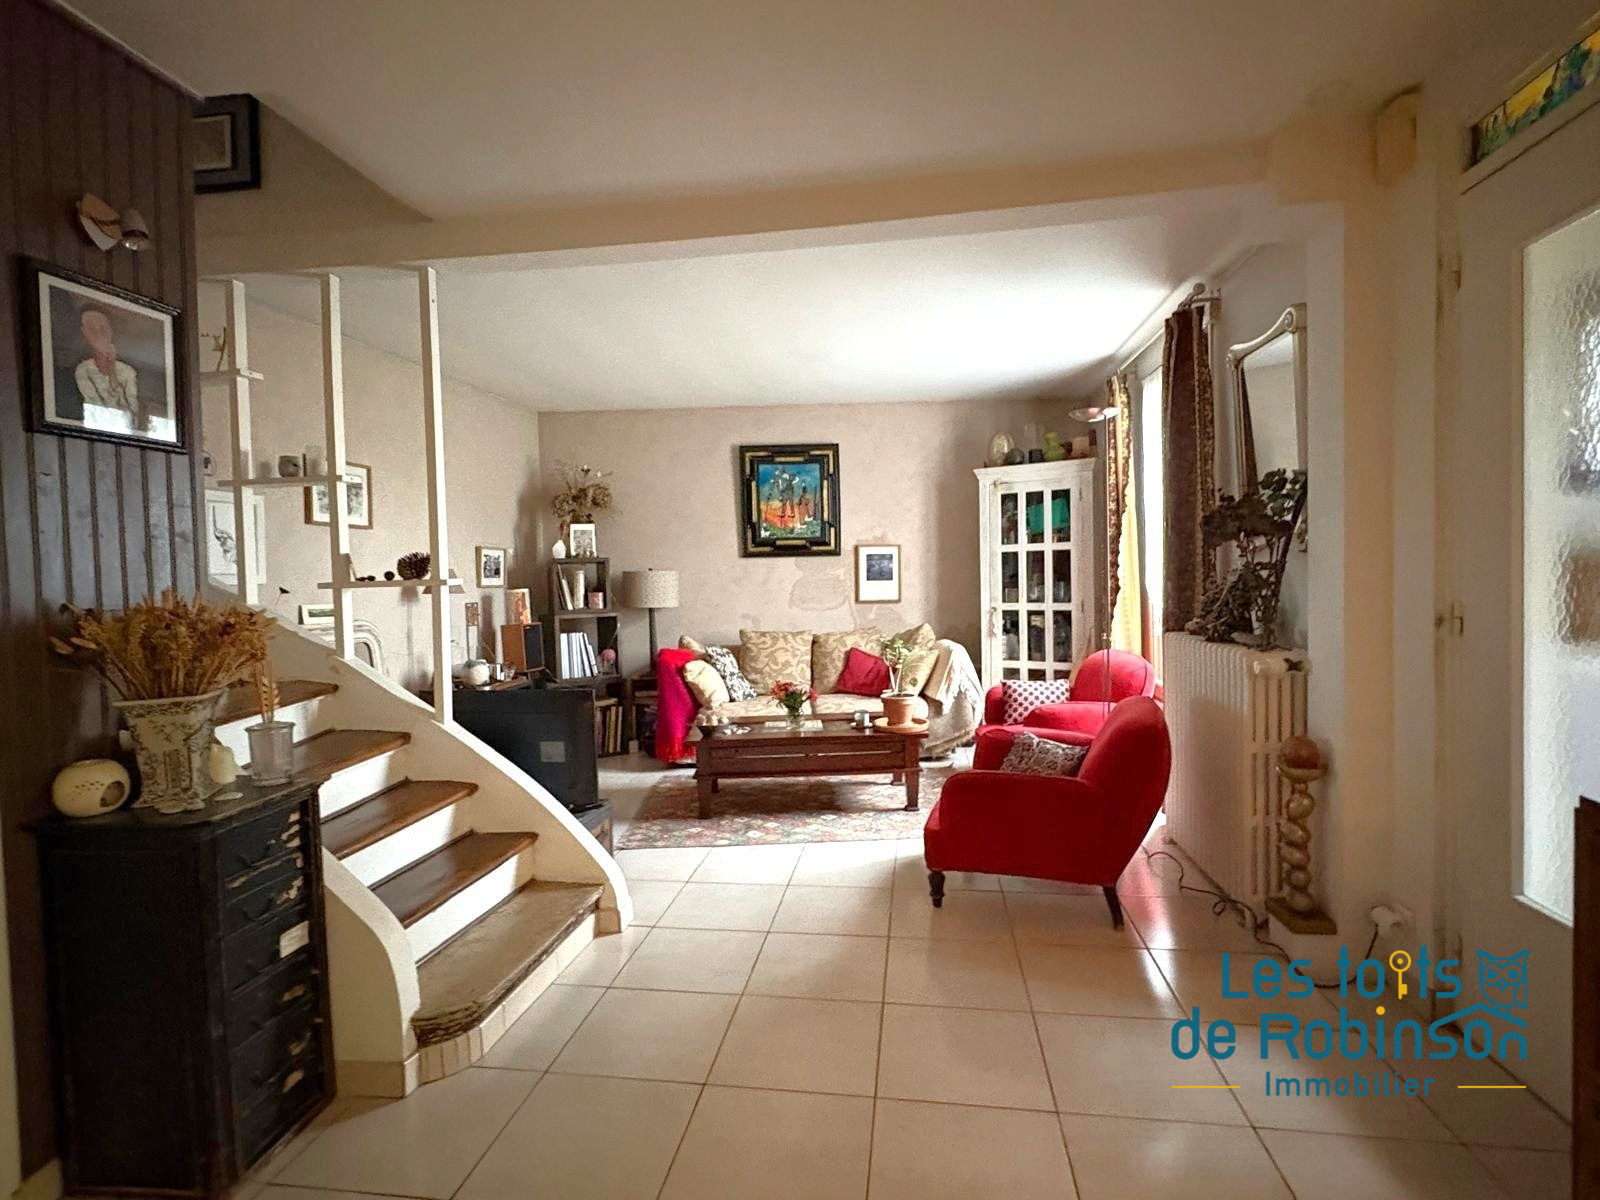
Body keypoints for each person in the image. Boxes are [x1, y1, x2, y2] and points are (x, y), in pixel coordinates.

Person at [73, 305, 141, 428]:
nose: (98, 334)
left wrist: (112, 372)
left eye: (103, 328)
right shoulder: (83, 370)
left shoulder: (127, 372)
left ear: (111, 331)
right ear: (84, 333)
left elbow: (132, 420)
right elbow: (97, 412)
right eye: (92, 329)